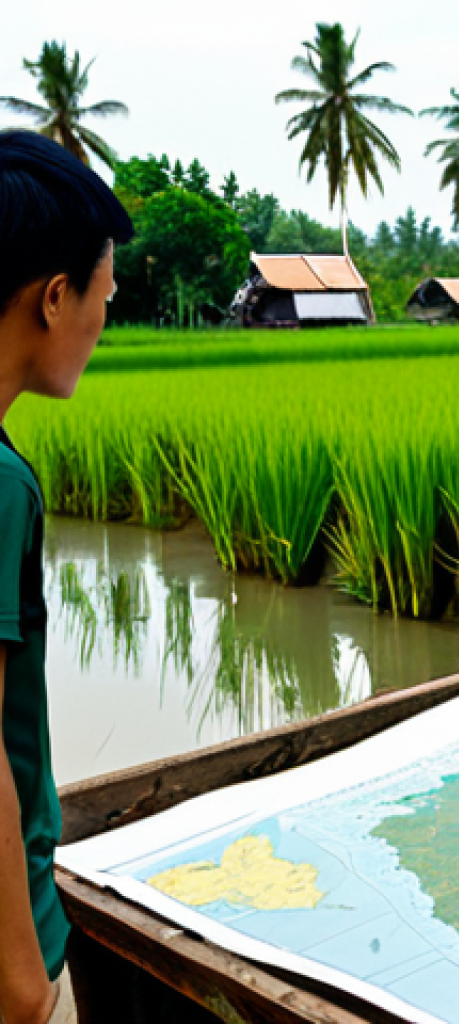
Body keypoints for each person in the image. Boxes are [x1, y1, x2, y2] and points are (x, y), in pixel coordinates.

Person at [0, 131, 132, 1024]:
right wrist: (22, 991)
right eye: (104, 297)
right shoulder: (2, 487)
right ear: (55, 297)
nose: (102, 322)